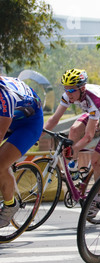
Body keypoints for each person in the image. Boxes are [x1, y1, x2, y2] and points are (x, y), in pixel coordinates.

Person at [44, 69, 100, 210]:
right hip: (95, 114)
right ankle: (73, 167)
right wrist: (37, 135)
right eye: (66, 90)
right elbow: (54, 118)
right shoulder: (69, 95)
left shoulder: (94, 100)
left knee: (95, 160)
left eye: (71, 91)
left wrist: (75, 148)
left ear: (82, 88)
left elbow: (89, 136)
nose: (68, 94)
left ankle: (99, 198)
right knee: (74, 130)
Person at [0, 76, 44, 228]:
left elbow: (0, 133)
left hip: (28, 123)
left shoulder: (6, 97)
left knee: (0, 164)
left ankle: (10, 205)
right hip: (10, 116)